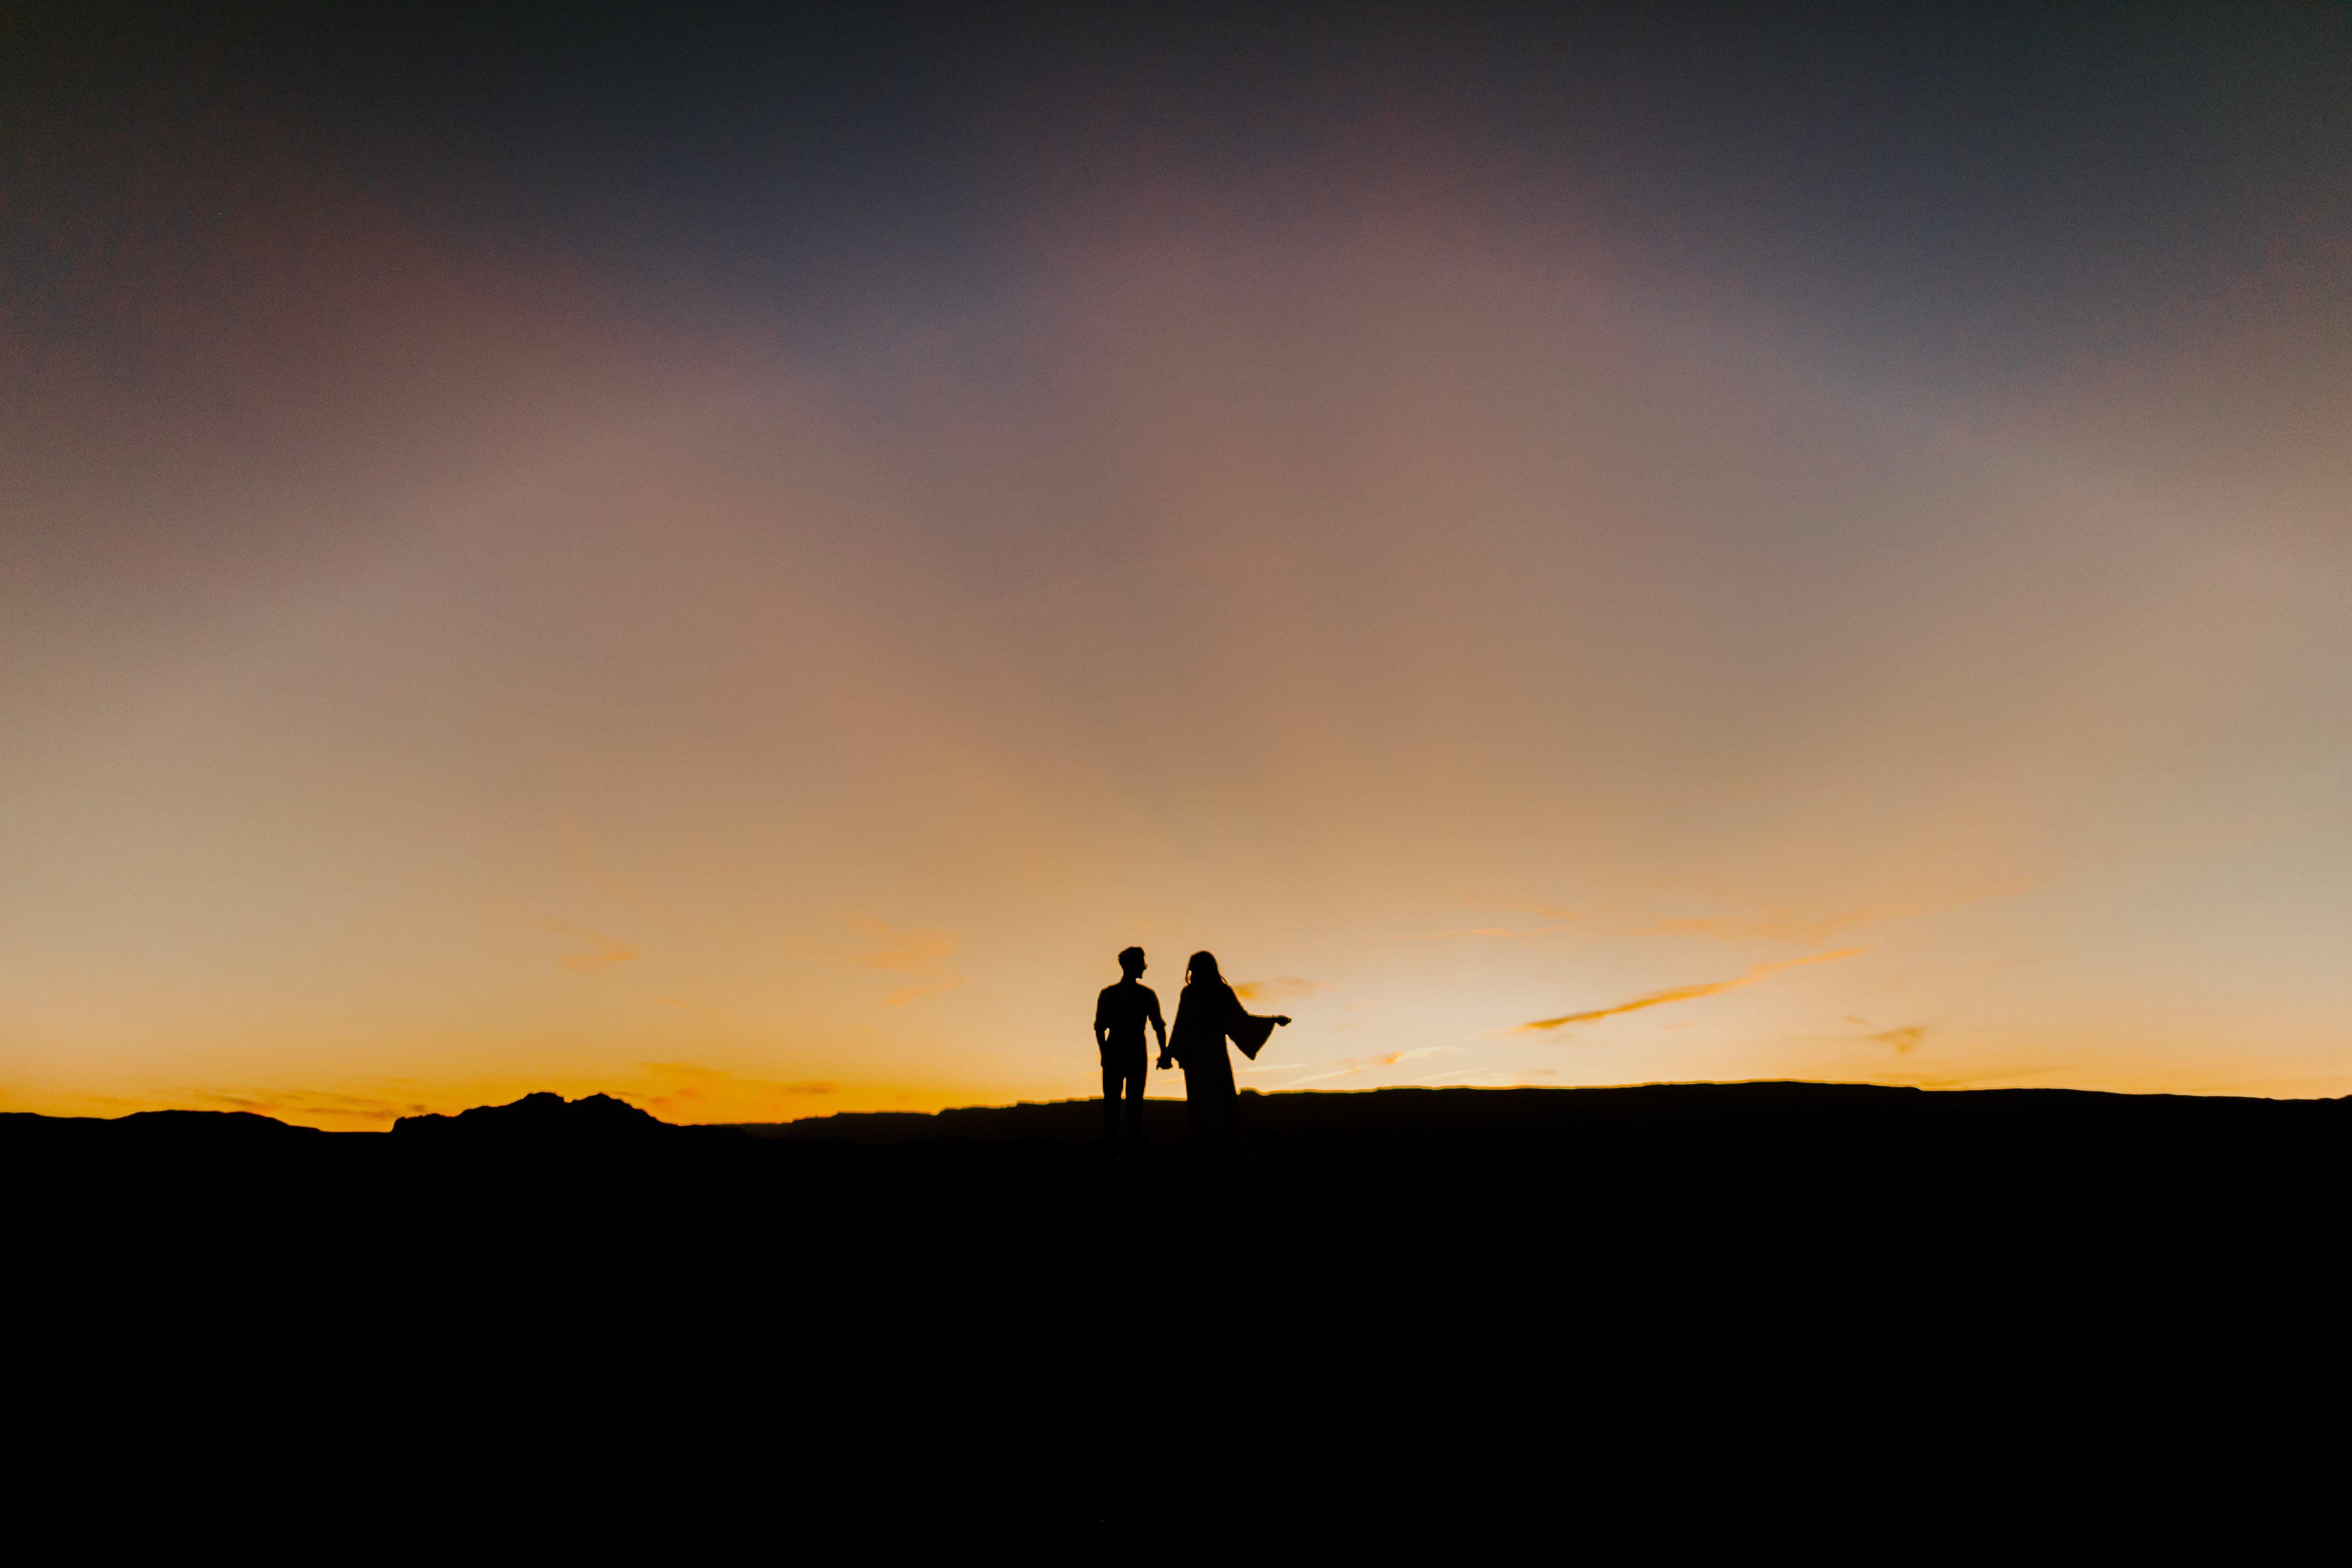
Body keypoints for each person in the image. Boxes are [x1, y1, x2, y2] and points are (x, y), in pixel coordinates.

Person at [1165, 951, 1289, 1151]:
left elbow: (1182, 1025)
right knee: (1214, 1103)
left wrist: (1170, 1053)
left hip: (1204, 1056)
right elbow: (1184, 1025)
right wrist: (1273, 1020)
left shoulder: (1203, 993)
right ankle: (1218, 1151)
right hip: (1207, 1056)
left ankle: (1213, 1151)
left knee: (1208, 1104)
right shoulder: (1213, 992)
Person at [1093, 946, 1166, 1155]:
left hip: (1124, 1051)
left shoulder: (1115, 994)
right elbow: (1158, 1026)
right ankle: (1118, 1154)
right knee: (1123, 1105)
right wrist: (1105, 1054)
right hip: (1126, 1052)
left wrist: (1105, 1054)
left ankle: (1123, 1154)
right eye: (1141, 962)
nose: (1145, 966)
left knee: (1123, 1105)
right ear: (1130, 965)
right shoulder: (1143, 995)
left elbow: (1100, 1028)